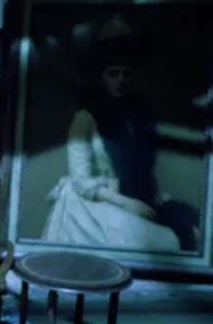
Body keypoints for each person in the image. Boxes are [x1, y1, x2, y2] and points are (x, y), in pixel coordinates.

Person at [42, 15, 199, 251]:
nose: (121, 80)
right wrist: (126, 203)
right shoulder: (85, 118)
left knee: (188, 232)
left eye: (126, 73)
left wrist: (154, 197)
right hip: (97, 201)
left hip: (137, 195)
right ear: (100, 78)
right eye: (113, 74)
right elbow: (81, 180)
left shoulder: (136, 116)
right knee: (156, 243)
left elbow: (141, 167)